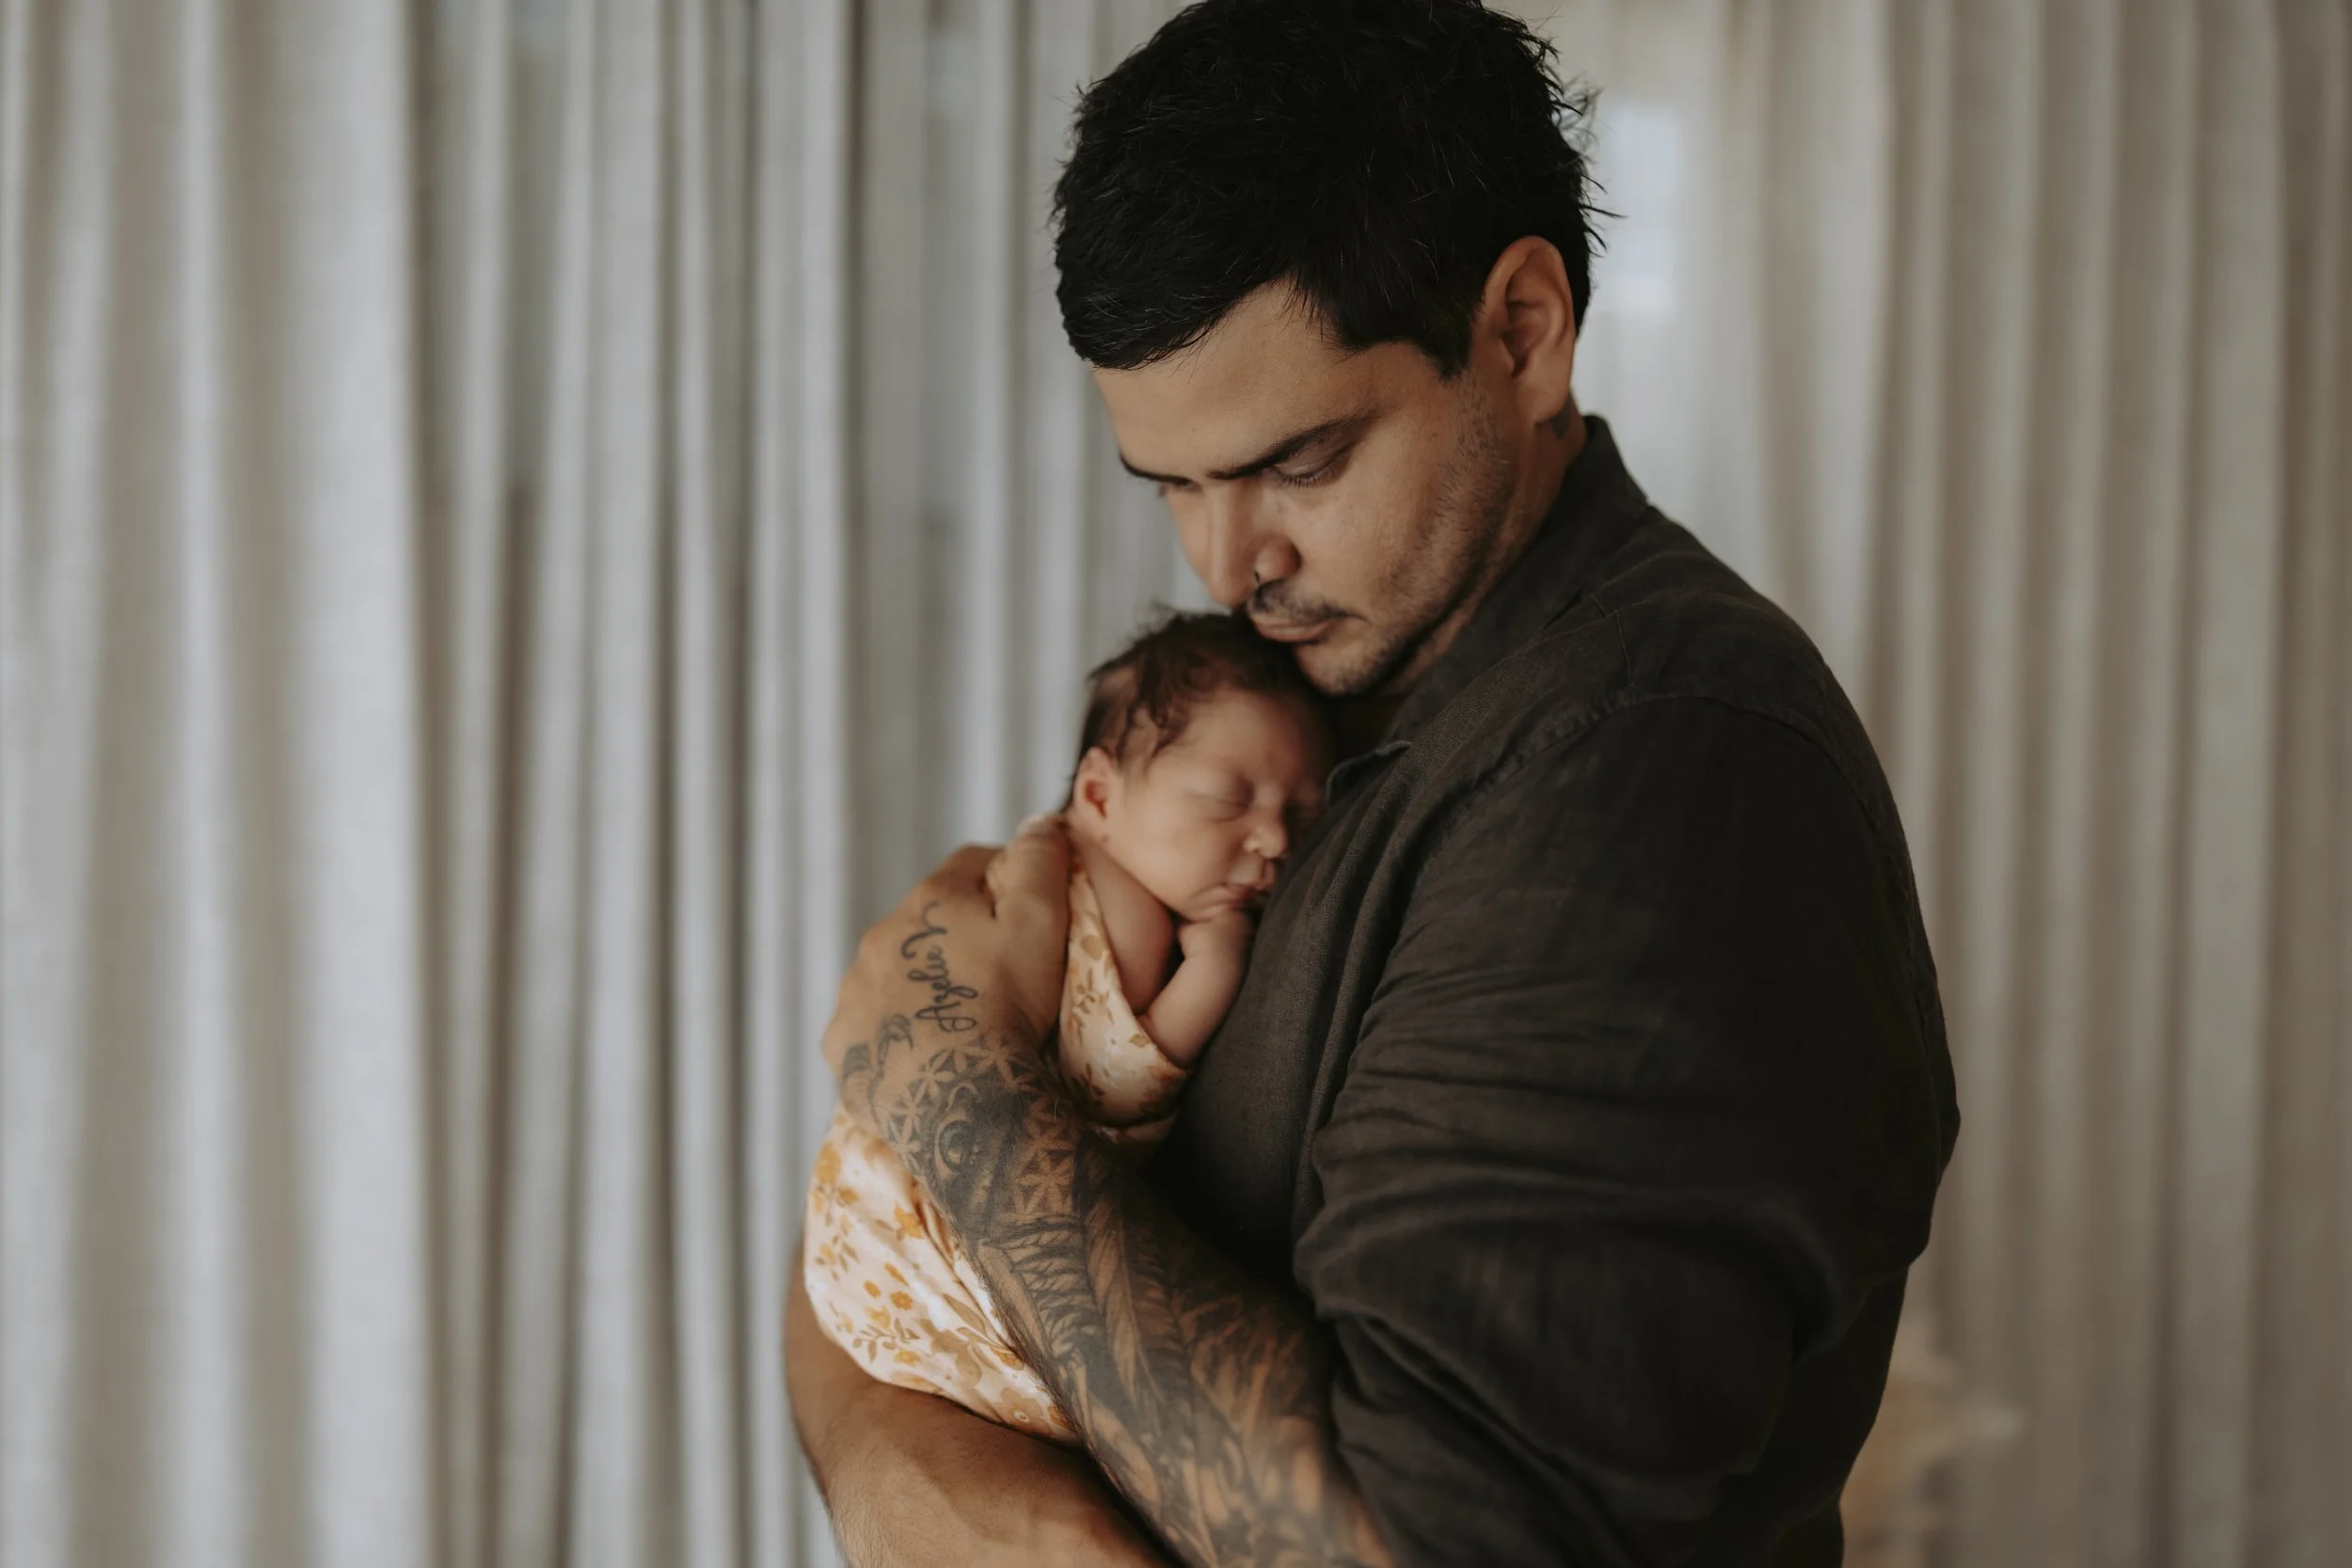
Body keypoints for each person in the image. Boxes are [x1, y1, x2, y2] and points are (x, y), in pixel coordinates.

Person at [786, 2, 1960, 1564]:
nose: (1227, 563)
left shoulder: (1664, 777)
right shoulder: (1305, 698)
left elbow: (1420, 1539)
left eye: (1300, 460)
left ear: (1525, 331)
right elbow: (872, 1228)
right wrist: (903, 1469)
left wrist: (957, 1089)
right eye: (1176, 486)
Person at [802, 612, 1330, 1444]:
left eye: (1301, 815)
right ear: (1097, 794)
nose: (1272, 840)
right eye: (1228, 800)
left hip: (851, 1243)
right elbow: (1113, 1079)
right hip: (906, 1229)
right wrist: (1219, 964)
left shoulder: (1050, 866)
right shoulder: (1128, 914)